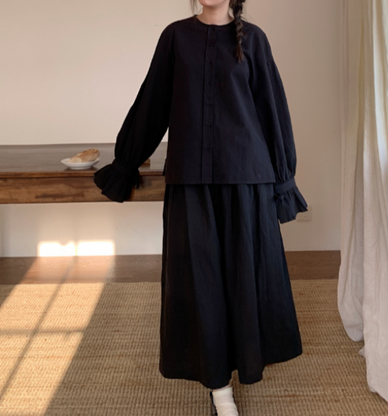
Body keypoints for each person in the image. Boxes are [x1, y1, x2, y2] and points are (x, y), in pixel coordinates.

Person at [93, 0, 308, 414]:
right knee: (199, 282)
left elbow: (272, 111)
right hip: (190, 178)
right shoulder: (175, 37)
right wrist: (125, 163)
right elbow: (152, 103)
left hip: (246, 176)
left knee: (245, 279)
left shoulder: (255, 40)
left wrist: (283, 179)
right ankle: (218, 386)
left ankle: (245, 362)